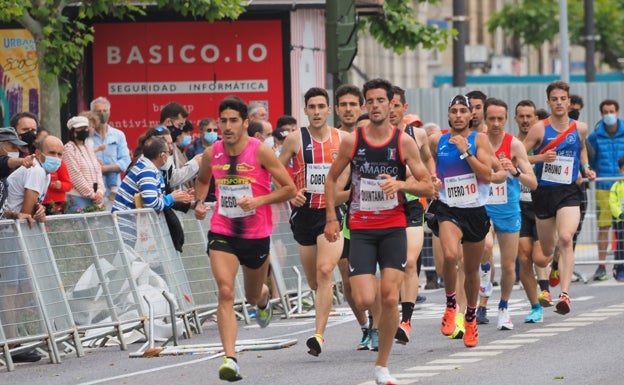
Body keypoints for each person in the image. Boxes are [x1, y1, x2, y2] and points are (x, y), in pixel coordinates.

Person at [324, 78, 435, 385]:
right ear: (365, 105)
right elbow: (331, 180)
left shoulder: (403, 142)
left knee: (389, 297)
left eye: (380, 101)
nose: (375, 106)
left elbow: (428, 185)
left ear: (391, 105)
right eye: (370, 101)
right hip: (360, 229)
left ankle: (382, 365)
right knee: (363, 297)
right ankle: (373, 327)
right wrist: (331, 217)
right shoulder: (352, 141)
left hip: (392, 228)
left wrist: (401, 184)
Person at [193, 96, 296, 382]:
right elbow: (202, 181)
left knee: (252, 295)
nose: (226, 127)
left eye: (233, 121)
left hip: (255, 234)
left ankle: (263, 300)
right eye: (222, 121)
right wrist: (199, 203)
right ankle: (230, 359)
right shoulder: (211, 153)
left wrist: (259, 200)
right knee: (225, 291)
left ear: (245, 123)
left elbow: (288, 188)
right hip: (222, 230)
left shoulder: (260, 151)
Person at [278, 87, 351, 357]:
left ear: (329, 110)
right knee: (314, 280)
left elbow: (352, 175)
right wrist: (291, 191)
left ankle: (318, 335)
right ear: (305, 110)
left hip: (331, 213)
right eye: (312, 107)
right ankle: (325, 294)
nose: (317, 111)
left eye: (322, 106)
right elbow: (275, 169)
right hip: (304, 215)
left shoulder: (343, 139)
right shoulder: (295, 140)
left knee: (324, 270)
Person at [427, 94, 496, 348]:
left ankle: (470, 319)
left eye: (462, 111)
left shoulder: (480, 140)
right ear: (448, 115)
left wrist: (466, 152)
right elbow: (429, 166)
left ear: (471, 116)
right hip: (449, 209)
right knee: (448, 256)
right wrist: (432, 180)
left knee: (470, 271)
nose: (458, 115)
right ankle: (450, 304)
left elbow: (486, 175)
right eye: (453, 110)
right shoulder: (438, 141)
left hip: (475, 211)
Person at [522, 80, 596, 315]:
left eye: (563, 99)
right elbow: (519, 156)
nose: (559, 103)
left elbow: (582, 148)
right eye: (554, 99)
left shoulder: (579, 128)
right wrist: (540, 158)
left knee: (565, 237)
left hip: (568, 192)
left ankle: (564, 295)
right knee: (544, 252)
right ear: (549, 102)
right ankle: (553, 264)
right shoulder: (539, 129)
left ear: (569, 101)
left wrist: (585, 168)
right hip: (543, 192)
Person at [2, 134, 61, 363]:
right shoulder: (36, 169)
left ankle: (11, 335)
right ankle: (12, 344)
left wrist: (39, 211)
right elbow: (26, 211)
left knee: (25, 287)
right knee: (10, 288)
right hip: (8, 232)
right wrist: (35, 212)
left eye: (60, 154)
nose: (56, 158)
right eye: (52, 153)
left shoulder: (44, 173)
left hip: (16, 231)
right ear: (38, 153)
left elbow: (33, 208)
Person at [480, 98, 538, 329]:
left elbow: (533, 182)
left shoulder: (514, 145)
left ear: (506, 120)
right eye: (491, 118)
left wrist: (514, 171)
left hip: (508, 208)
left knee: (508, 267)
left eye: (499, 119)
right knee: (485, 245)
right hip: (483, 207)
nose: (495, 123)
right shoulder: (477, 142)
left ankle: (503, 306)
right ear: (484, 119)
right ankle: (485, 275)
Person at [389, 86, 435, 344]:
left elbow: (428, 159)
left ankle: (405, 321)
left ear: (404, 108)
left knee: (409, 261)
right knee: (387, 266)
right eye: (389, 105)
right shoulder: (371, 136)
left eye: (397, 105)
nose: (392, 110)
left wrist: (431, 178)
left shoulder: (416, 134)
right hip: (381, 207)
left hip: (411, 203)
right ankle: (384, 316)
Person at [333, 84, 376, 350]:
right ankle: (365, 325)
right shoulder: (332, 138)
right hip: (341, 218)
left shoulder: (377, 137)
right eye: (343, 105)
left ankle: (379, 324)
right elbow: (334, 188)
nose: (348, 110)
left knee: (373, 279)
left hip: (375, 219)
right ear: (336, 110)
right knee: (348, 281)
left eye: (353, 104)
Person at [514, 100, 554, 320]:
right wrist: (538, 159)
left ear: (536, 119)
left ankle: (556, 258)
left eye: (530, 116)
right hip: (519, 206)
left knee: (540, 258)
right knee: (524, 257)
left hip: (542, 203)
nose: (526, 120)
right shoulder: (510, 143)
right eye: (522, 116)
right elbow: (512, 160)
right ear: (516, 119)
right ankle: (535, 306)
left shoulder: (543, 142)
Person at [587, 99, 624, 281]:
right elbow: (591, 162)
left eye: (612, 111)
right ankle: (601, 265)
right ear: (601, 115)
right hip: (603, 188)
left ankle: (621, 265)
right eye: (605, 112)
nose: (609, 114)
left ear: (618, 112)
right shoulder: (594, 137)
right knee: (604, 227)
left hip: (623, 188)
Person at [112, 136, 194, 213]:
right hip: (126, 223)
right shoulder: (146, 171)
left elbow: (160, 199)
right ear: (163, 155)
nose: (170, 155)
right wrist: (171, 198)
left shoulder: (150, 169)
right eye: (169, 152)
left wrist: (179, 196)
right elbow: (152, 203)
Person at [90, 96, 132, 206]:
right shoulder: (87, 136)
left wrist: (104, 169)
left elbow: (126, 161)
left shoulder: (118, 135)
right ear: (92, 113)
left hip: (114, 192)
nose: (102, 113)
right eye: (99, 111)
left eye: (105, 111)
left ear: (109, 112)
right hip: (93, 192)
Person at [63, 115, 105, 213]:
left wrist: (100, 191)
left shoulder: (88, 148)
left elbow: (98, 171)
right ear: (73, 131)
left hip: (95, 198)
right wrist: (92, 194)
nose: (84, 130)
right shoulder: (68, 149)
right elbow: (75, 175)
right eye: (80, 128)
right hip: (77, 198)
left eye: (86, 128)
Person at [609, 156, 624, 282]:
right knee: (621, 245)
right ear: (620, 170)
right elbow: (613, 202)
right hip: (620, 221)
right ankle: (620, 270)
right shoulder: (616, 185)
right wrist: (620, 214)